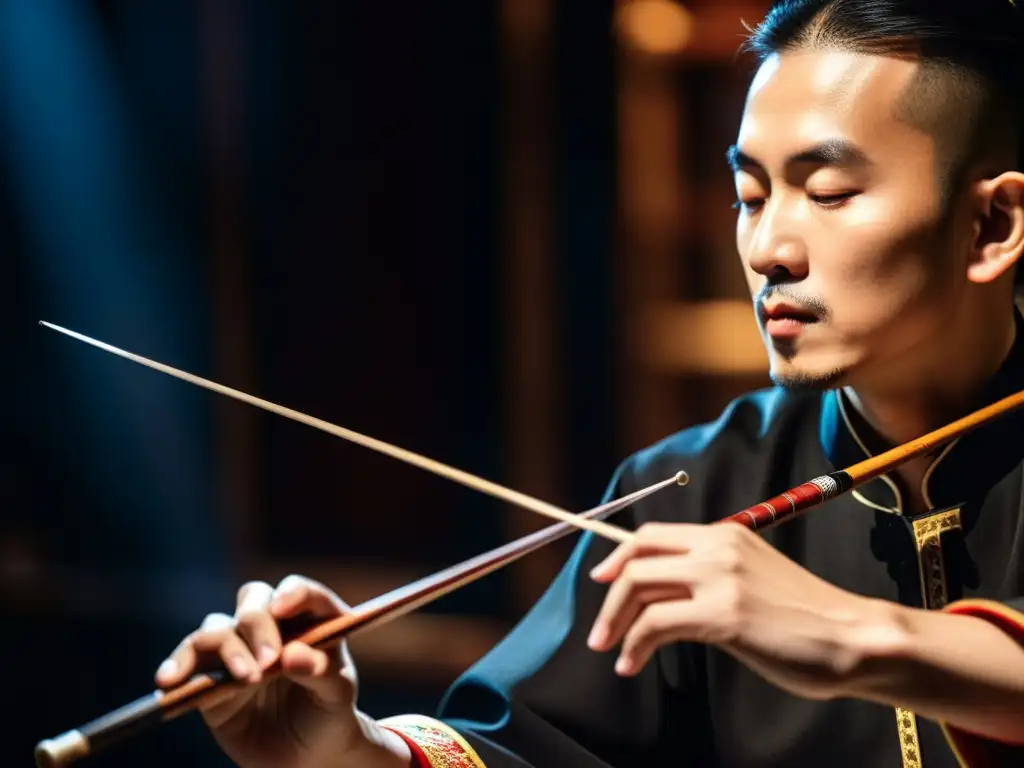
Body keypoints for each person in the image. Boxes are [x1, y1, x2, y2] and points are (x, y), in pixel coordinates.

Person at [154, 1, 1024, 765]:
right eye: (751, 197)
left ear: (993, 224)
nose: (767, 252)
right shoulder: (689, 494)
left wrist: (858, 637)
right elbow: (538, 750)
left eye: (827, 192)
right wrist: (346, 750)